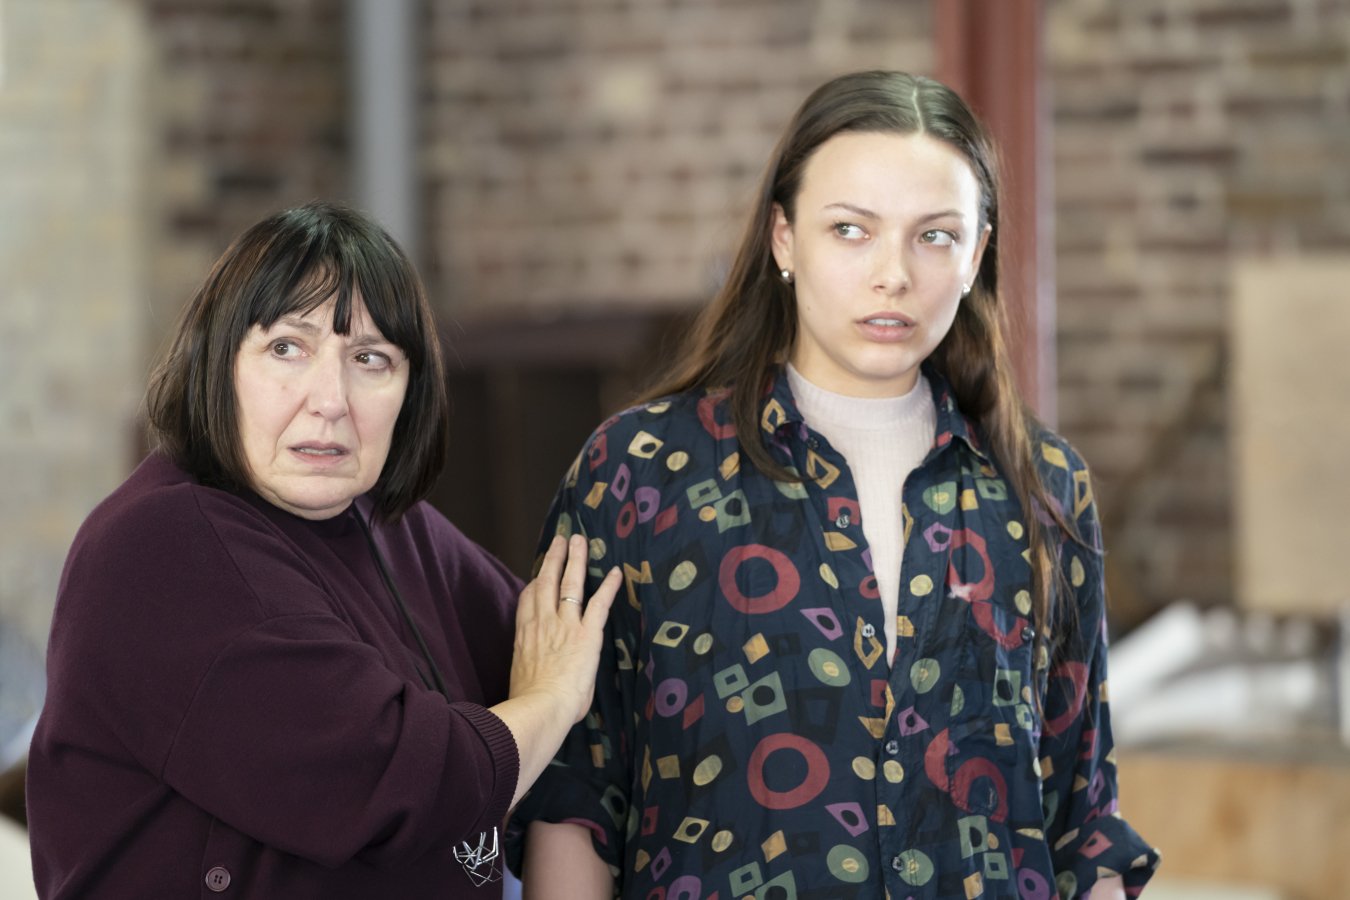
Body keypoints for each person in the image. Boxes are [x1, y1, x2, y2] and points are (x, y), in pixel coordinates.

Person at [508, 71, 1159, 899]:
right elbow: (576, 796)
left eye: (935, 236)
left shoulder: (1044, 489)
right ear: (783, 239)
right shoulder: (641, 471)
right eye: (851, 230)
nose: (893, 275)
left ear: (977, 254)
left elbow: (1083, 818)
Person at [26, 201, 621, 899]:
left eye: (371, 360)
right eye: (288, 347)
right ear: (218, 363)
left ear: (411, 392)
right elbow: (396, 784)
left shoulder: (391, 527)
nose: (331, 399)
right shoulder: (164, 547)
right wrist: (553, 699)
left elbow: (575, 649)